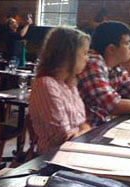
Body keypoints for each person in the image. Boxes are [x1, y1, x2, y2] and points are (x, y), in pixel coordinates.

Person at [78, 21, 130, 127]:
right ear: (111, 49)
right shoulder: (92, 62)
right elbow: (114, 105)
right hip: (83, 132)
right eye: (127, 43)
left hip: (99, 127)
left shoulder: (117, 67)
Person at [29, 27, 91, 155]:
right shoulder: (45, 84)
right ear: (69, 55)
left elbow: (84, 124)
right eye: (84, 53)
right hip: (52, 158)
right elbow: (63, 138)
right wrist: (83, 130)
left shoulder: (69, 84)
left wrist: (82, 130)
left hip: (75, 152)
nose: (87, 58)